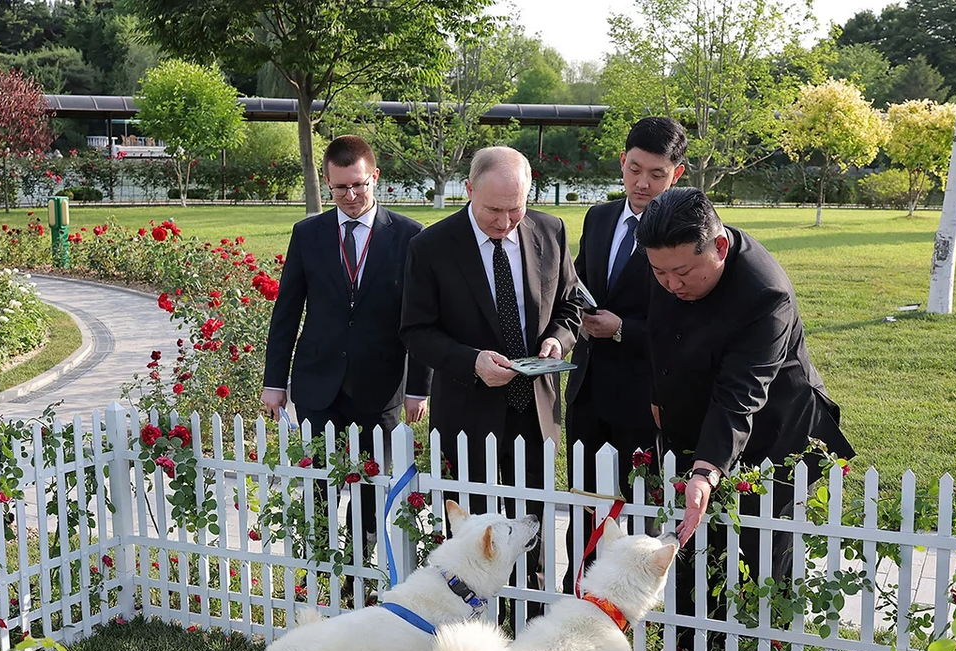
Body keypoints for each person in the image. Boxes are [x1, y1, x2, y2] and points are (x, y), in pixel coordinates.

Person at [637, 186, 856, 641]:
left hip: (773, 436)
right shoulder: (670, 260)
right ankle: (689, 647)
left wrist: (706, 469)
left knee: (757, 554)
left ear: (718, 248)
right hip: (700, 422)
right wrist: (661, 393)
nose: (671, 284)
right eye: (659, 272)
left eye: (681, 273)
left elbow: (741, 393)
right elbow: (660, 331)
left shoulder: (764, 293)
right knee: (694, 545)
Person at [400, 145, 581, 620]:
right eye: (493, 210)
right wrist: (471, 361)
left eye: (515, 208)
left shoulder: (550, 229)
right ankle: (475, 627)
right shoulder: (431, 247)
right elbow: (416, 332)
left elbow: (570, 307)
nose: (505, 222)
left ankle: (532, 624)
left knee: (531, 527)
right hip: (467, 413)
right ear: (469, 191)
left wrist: (558, 342)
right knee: (474, 533)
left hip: (535, 409)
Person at [262, 135, 431, 567]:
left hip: (382, 387)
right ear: (327, 183)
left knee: (372, 489)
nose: (351, 196)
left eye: (359, 184)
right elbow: (287, 311)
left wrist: (419, 388)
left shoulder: (411, 237)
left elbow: (424, 319)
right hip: (318, 383)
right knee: (319, 484)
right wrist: (273, 381)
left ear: (375, 177)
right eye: (340, 188)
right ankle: (323, 568)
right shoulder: (308, 234)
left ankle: (359, 566)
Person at [562, 116, 687, 593]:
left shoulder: (685, 229)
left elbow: (686, 320)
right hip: (588, 389)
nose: (642, 183)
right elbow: (576, 282)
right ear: (622, 162)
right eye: (635, 169)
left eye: (657, 174)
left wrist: (622, 331)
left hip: (646, 393)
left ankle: (635, 609)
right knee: (586, 506)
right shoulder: (598, 217)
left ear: (676, 174)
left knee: (639, 514)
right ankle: (581, 597)